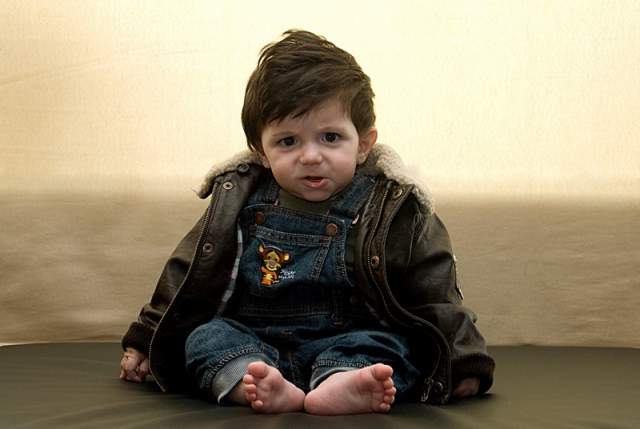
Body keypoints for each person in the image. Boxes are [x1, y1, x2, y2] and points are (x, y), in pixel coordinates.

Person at [120, 29, 495, 415]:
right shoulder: (239, 198)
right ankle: (252, 381)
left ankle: (342, 382)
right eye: (288, 141)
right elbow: (187, 272)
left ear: (364, 144)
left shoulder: (393, 205)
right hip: (254, 340)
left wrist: (463, 359)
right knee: (204, 339)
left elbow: (435, 288)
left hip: (348, 340)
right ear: (261, 151)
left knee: (393, 348)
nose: (311, 156)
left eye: (330, 137)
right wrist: (146, 339)